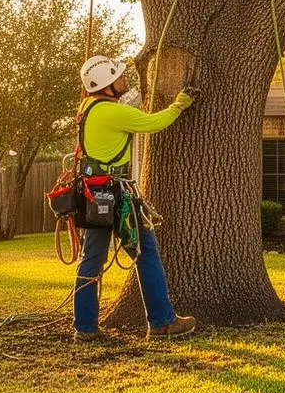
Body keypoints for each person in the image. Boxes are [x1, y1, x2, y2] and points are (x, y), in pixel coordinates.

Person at [72, 53, 197, 341]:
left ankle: (85, 328)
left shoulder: (87, 108)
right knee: (146, 253)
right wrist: (180, 104)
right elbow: (155, 122)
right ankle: (163, 321)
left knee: (90, 261)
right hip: (117, 197)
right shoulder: (113, 112)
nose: (123, 79)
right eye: (117, 77)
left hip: (94, 196)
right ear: (106, 85)